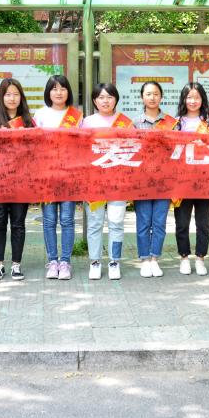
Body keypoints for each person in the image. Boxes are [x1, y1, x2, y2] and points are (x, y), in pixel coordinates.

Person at [81, 82, 133, 280]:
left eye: (109, 97)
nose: (105, 101)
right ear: (95, 101)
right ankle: (95, 262)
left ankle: (114, 261)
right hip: (94, 182)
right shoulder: (87, 122)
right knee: (94, 224)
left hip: (118, 182)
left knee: (116, 223)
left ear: (116, 99)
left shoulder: (125, 123)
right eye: (101, 97)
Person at [33, 74, 81, 280]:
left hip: (69, 174)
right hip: (47, 175)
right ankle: (52, 261)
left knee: (67, 220)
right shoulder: (40, 114)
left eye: (62, 88)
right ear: (48, 92)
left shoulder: (77, 116)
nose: (59, 92)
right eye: (54, 88)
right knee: (49, 220)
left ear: (68, 92)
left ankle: (65, 262)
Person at [0, 78, 35, 280]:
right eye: (8, 94)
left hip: (21, 180)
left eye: (16, 94)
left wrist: (27, 137)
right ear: (1, 97)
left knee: (18, 223)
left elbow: (36, 151)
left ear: (21, 97)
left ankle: (16, 264)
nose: (12, 98)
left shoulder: (29, 121)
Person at [133, 81, 177, 278]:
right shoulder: (134, 123)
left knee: (159, 222)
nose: (152, 97)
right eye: (148, 94)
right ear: (142, 97)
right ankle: (144, 259)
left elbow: (176, 150)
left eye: (156, 94)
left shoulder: (171, 123)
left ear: (161, 96)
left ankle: (154, 259)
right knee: (143, 221)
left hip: (164, 180)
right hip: (142, 181)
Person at [173, 82, 209, 276]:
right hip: (181, 181)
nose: (192, 101)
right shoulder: (175, 123)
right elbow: (171, 152)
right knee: (182, 222)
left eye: (196, 97)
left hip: (204, 181)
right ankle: (184, 257)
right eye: (189, 97)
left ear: (202, 99)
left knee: (203, 222)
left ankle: (200, 258)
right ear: (183, 99)